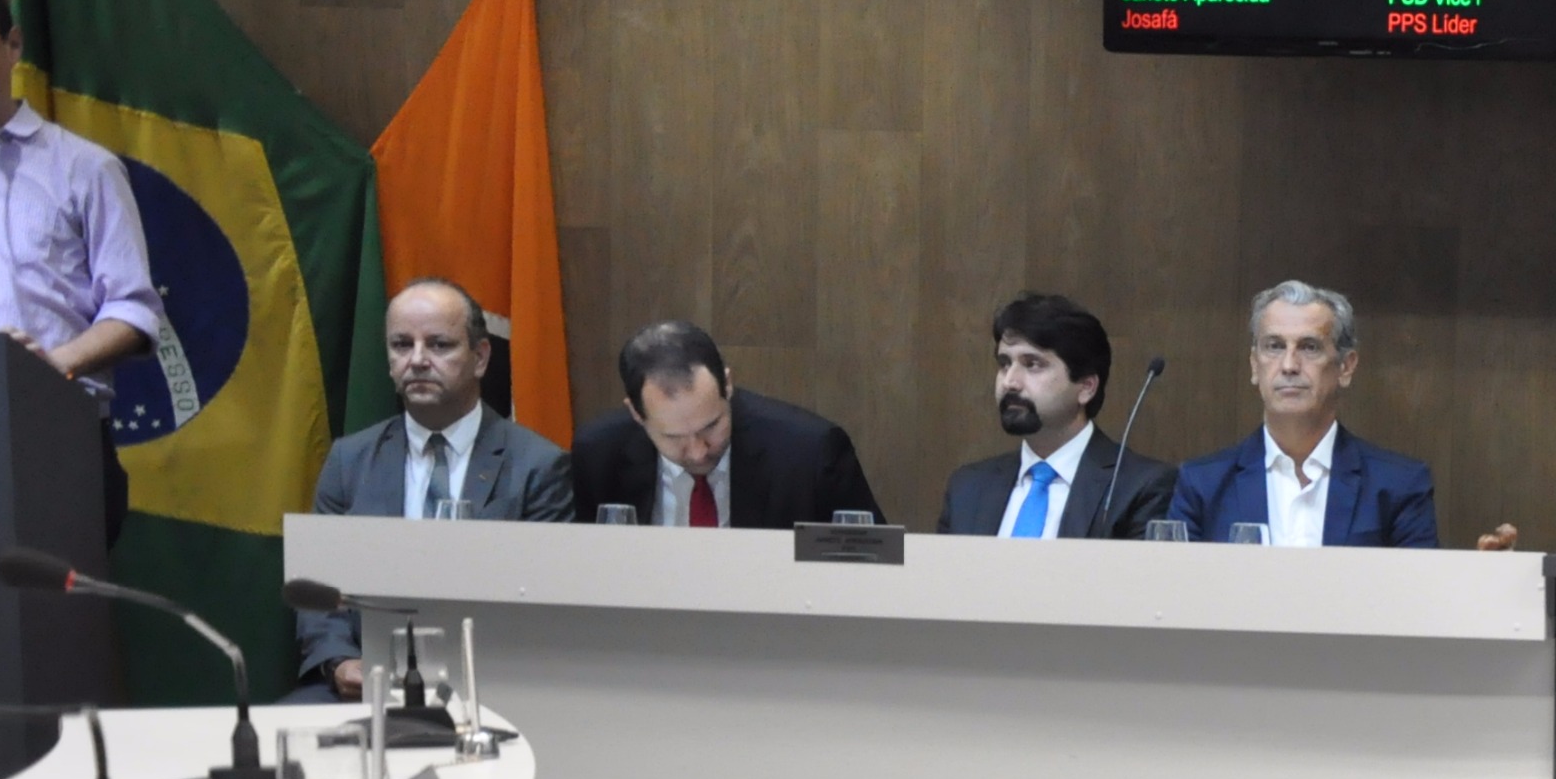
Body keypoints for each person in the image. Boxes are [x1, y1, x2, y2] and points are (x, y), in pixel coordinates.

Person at [296, 279, 574, 693]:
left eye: (439, 345)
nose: (417, 360)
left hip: (490, 684)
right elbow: (320, 587)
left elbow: (544, 602)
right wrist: (339, 661)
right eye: (401, 345)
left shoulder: (538, 466)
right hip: (368, 679)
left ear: (480, 357)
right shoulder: (348, 461)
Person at [0, 0, 159, 545]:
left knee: (43, 603)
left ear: (13, 45)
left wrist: (49, 368)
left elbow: (133, 312)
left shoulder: (84, 168)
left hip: (52, 442)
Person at [1164, 281, 1460, 550]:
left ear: (1346, 366)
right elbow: (1173, 586)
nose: (1289, 365)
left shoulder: (1398, 485)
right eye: (1275, 346)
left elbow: (1417, 588)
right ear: (1255, 365)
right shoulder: (1202, 484)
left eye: (1309, 347)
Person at [566, 322, 878, 531]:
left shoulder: (809, 452)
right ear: (636, 413)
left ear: (727, 385)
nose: (698, 452)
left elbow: (871, 564)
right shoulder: (598, 455)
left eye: (711, 426)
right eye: (674, 437)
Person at [938, 293, 1175, 540]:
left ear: (1086, 387)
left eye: (1032, 364)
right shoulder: (968, 487)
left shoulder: (1139, 487)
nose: (1010, 382)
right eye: (1004, 363)